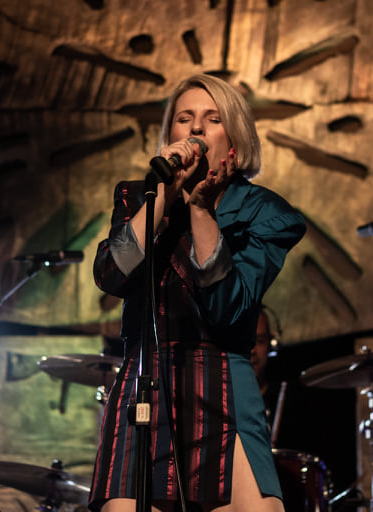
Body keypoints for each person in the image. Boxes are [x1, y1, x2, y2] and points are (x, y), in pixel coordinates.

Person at [89, 73, 306, 512]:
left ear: (234, 139)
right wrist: (164, 196)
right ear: (170, 133)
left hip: (223, 380)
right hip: (146, 378)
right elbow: (111, 275)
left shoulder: (264, 213)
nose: (196, 128)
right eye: (184, 118)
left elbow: (228, 308)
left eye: (212, 118)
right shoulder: (138, 198)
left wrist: (202, 212)